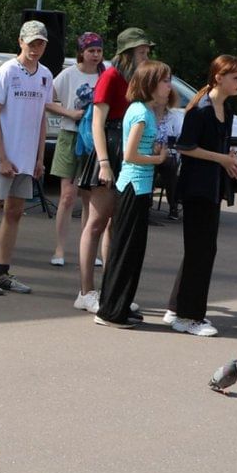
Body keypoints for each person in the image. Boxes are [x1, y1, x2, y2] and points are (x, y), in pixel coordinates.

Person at [163, 56, 237, 338]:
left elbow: (220, 148)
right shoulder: (200, 110)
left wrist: (230, 161)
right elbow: (186, 147)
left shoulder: (227, 109)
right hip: (196, 188)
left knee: (201, 250)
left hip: (213, 189)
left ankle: (176, 308)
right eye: (236, 78)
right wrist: (221, 159)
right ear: (219, 77)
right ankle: (190, 316)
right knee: (202, 251)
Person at [0, 19, 56, 295]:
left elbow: (41, 117)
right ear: (21, 42)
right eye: (32, 43)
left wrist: (39, 158)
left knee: (15, 212)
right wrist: (3, 157)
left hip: (27, 157)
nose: (36, 48)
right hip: (1, 156)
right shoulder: (7, 71)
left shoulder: (45, 74)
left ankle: (3, 271)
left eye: (40, 43)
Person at [75, 28, 151, 312]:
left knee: (115, 223)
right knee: (96, 223)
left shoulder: (137, 79)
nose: (146, 56)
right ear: (128, 53)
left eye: (147, 51)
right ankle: (86, 291)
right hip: (108, 149)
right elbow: (97, 122)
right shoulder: (110, 76)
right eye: (142, 51)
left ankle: (111, 290)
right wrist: (104, 163)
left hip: (126, 149)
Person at [94, 60, 173, 328]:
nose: (168, 85)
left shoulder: (145, 111)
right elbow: (130, 155)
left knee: (131, 250)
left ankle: (119, 305)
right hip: (133, 186)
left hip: (138, 187)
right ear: (150, 83)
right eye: (164, 80)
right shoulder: (140, 113)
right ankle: (111, 311)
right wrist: (158, 158)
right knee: (126, 250)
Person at [46, 32, 102, 268]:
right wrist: (69, 113)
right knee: (68, 196)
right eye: (91, 51)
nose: (96, 55)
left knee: (90, 196)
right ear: (82, 52)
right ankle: (59, 248)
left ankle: (88, 248)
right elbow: (47, 100)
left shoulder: (104, 75)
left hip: (94, 139)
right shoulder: (69, 74)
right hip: (70, 135)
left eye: (99, 51)